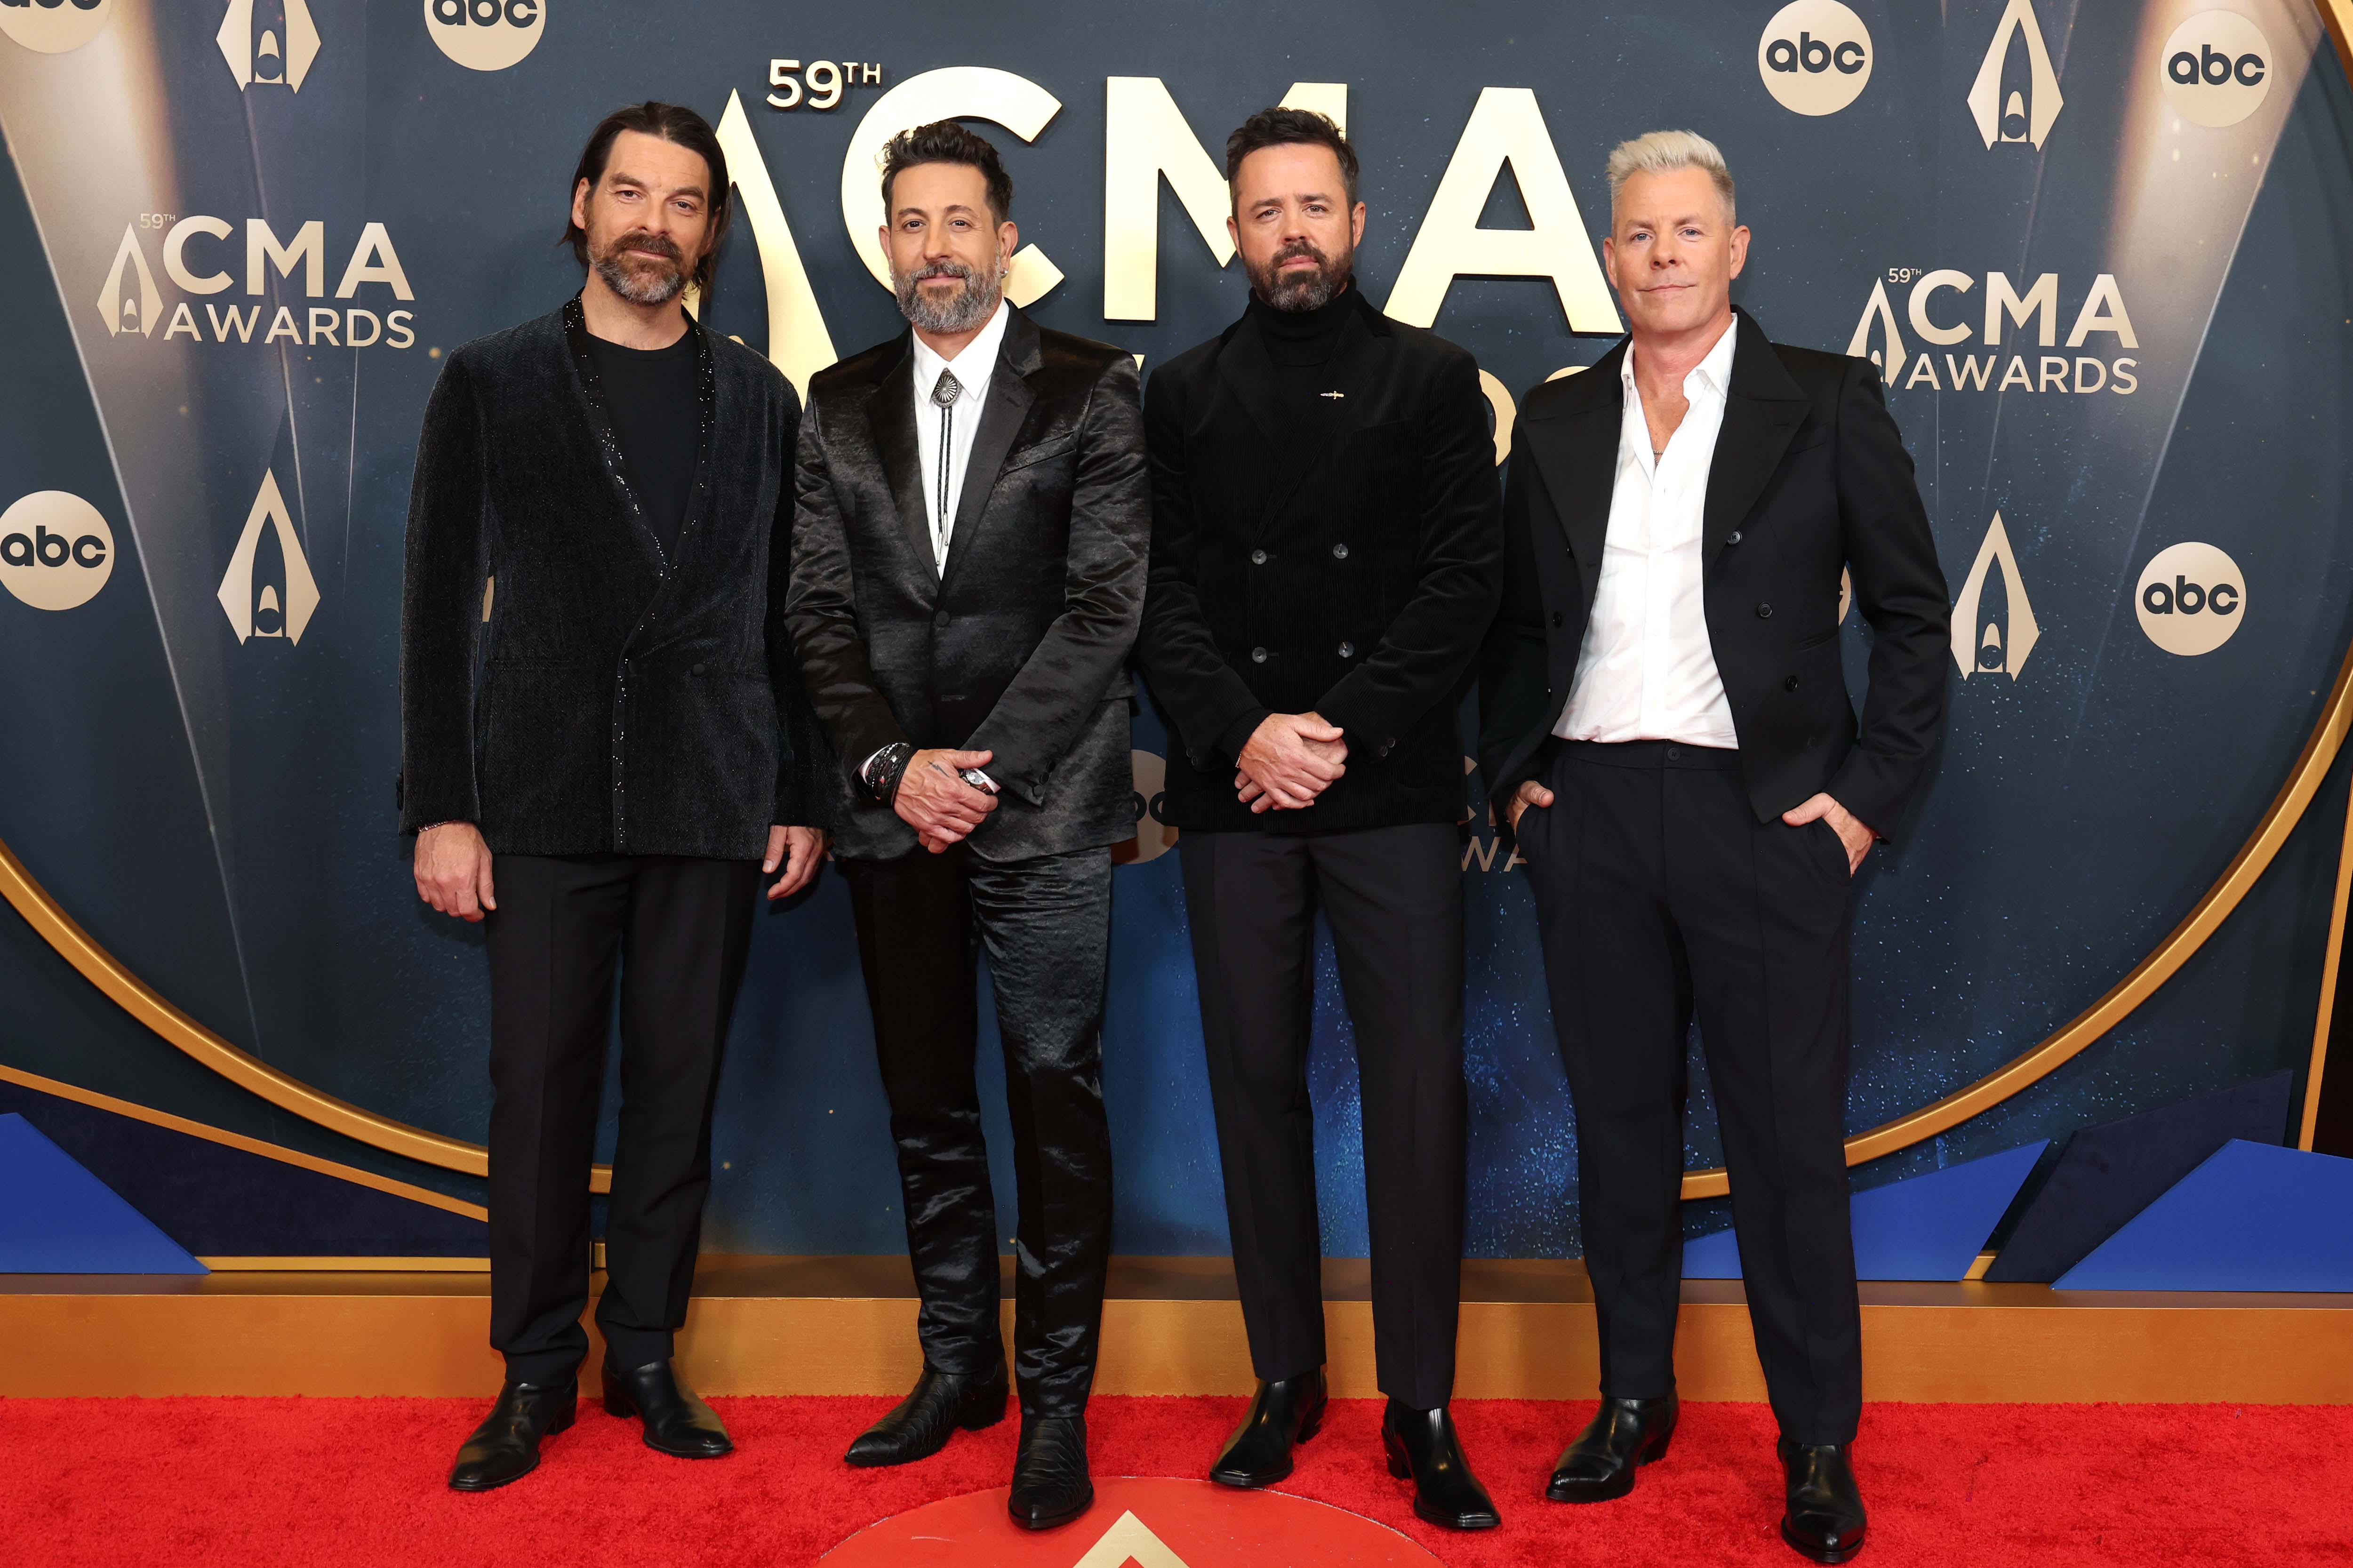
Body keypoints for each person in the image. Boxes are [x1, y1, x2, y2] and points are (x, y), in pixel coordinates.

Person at [1477, 130, 1952, 1563]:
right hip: (1595, 820)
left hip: (1769, 826)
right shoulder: (1558, 418)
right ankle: (1632, 1399)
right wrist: (1515, 784)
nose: (1664, 254)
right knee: (1618, 1134)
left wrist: (1862, 803)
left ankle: (1818, 1444)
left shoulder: (1828, 401)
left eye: (1690, 231)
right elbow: (1508, 628)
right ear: (1610, 256)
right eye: (1639, 233)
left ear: (1735, 249)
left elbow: (1918, 622)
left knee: (1786, 1147)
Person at [400, 102, 829, 1491]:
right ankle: (532, 1369)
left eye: (685, 202)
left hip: (711, 799)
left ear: (711, 230)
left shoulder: (763, 402)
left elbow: (790, 619)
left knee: (677, 1090)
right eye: (630, 193)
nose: (655, 223)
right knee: (538, 1093)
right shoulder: (492, 380)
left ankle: (644, 1348)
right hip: (536, 796)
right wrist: (442, 804)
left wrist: (802, 788)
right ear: (582, 205)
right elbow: (429, 611)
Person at [1134, 107, 1505, 1532]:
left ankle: (1423, 1403)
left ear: (1359, 225)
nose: (1291, 230)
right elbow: (1157, 599)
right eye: (1265, 209)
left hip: (1394, 792)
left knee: (1418, 1095)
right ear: (1233, 231)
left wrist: (1336, 730)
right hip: (1238, 797)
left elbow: (1462, 589)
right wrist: (1246, 733)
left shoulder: (1434, 381)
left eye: (1315, 207)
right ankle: (1284, 1377)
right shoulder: (1183, 396)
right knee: (1254, 1086)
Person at [784, 120, 1148, 1532]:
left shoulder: (1092, 392)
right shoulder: (835, 399)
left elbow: (1105, 607)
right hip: (892, 816)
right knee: (927, 1102)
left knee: (1057, 1105)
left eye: (960, 223)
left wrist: (975, 768)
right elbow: (818, 611)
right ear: (887, 246)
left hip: (1042, 810)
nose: (935, 248)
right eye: (911, 224)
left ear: (1006, 239)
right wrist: (892, 766)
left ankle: (1055, 1407)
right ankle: (962, 1369)